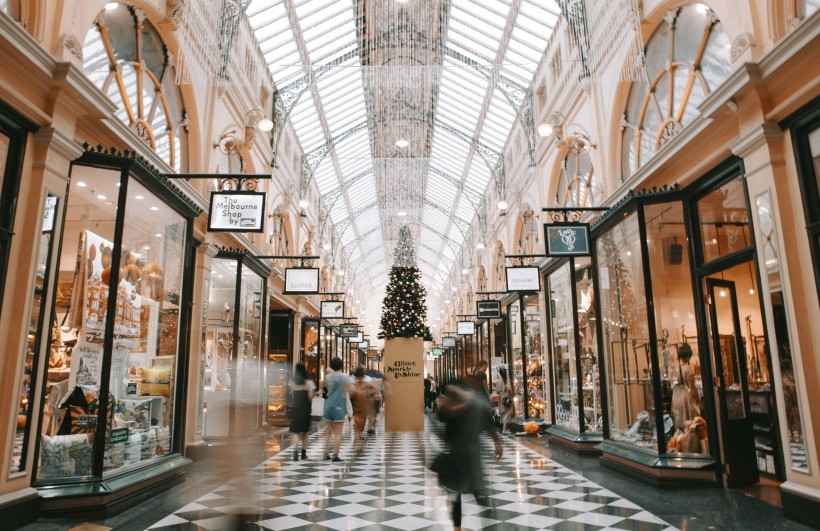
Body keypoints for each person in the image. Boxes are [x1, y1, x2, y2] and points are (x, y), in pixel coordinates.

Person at [437, 375, 503, 531]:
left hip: (465, 454)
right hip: (463, 454)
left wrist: (497, 442)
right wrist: (496, 442)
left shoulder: (467, 402)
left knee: (468, 493)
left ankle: (465, 527)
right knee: (467, 494)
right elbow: (444, 415)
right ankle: (460, 527)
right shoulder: (462, 402)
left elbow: (487, 421)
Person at [323, 357, 349, 462]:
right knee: (338, 433)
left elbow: (326, 388)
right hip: (339, 405)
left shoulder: (327, 377)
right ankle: (335, 455)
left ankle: (325, 453)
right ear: (341, 366)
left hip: (328, 405)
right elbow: (347, 389)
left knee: (329, 432)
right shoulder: (345, 377)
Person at [289, 362, 315, 461]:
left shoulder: (292, 382)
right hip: (305, 410)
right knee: (305, 432)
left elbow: (292, 395)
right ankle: (303, 454)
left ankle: (295, 451)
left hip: (296, 409)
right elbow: (310, 397)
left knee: (295, 431)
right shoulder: (308, 383)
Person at [349, 366, 379, 451]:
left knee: (359, 425)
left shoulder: (354, 385)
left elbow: (350, 394)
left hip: (358, 407)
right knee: (360, 426)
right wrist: (371, 395)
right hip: (361, 407)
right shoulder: (365, 384)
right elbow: (376, 389)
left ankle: (357, 444)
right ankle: (358, 443)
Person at [494, 366, 514, 433]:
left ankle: (504, 428)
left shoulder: (498, 381)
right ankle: (505, 429)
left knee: (503, 412)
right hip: (507, 397)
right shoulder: (507, 379)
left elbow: (497, 391)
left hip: (501, 397)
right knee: (507, 413)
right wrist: (512, 394)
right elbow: (509, 388)